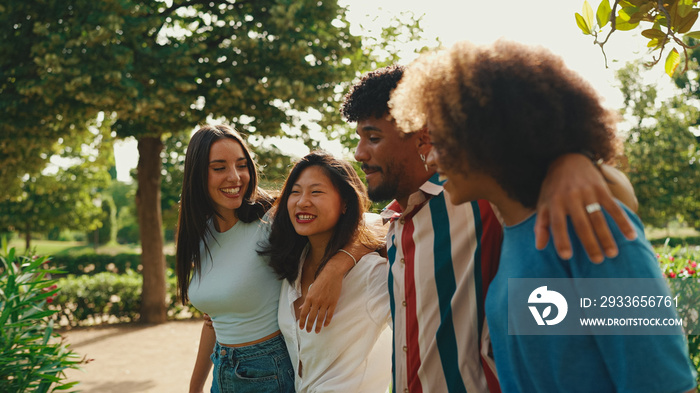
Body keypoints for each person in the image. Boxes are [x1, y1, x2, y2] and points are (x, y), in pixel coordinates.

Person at [390, 39, 697, 392]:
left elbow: (666, 384)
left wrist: (577, 160)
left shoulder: (587, 227)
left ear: (485, 136)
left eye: (440, 140)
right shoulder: (515, 235)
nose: (431, 158)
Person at [341, 65, 639, 393]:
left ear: (422, 136)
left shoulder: (477, 195)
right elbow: (362, 228)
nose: (359, 154)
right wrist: (342, 259)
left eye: (373, 137)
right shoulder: (395, 219)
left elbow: (617, 195)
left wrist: (574, 161)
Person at [175, 125, 361, 393]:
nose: (235, 177)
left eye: (242, 165)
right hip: (222, 370)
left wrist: (336, 268)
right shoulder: (201, 234)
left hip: (269, 372)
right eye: (219, 168)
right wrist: (195, 388)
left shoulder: (272, 218)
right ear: (196, 175)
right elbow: (214, 321)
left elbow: (371, 227)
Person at [259, 151, 392, 392]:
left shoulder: (372, 273)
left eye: (316, 192)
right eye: (295, 192)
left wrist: (338, 266)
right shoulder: (293, 266)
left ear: (345, 203)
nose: (302, 202)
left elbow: (391, 223)